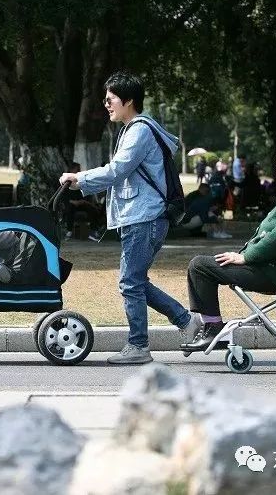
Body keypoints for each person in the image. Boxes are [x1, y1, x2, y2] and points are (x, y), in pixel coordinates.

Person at [59, 71, 199, 364]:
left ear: (129, 101)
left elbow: (117, 170)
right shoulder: (133, 129)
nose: (106, 104)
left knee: (130, 282)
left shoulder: (139, 131)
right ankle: (187, 322)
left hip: (144, 218)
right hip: (140, 217)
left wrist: (80, 178)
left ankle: (139, 346)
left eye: (110, 99)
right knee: (133, 281)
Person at [179, 137, 276, 352]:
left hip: (275, 272)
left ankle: (212, 328)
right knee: (203, 264)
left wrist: (246, 257)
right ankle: (211, 327)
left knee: (199, 266)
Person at [63, 162, 103, 239]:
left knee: (92, 209)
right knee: (70, 208)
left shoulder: (80, 180)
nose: (78, 171)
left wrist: (83, 201)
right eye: (77, 169)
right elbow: (64, 197)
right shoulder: (66, 181)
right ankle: (69, 231)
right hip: (71, 203)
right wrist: (73, 202)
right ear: (71, 169)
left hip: (82, 203)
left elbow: (85, 194)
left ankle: (93, 231)